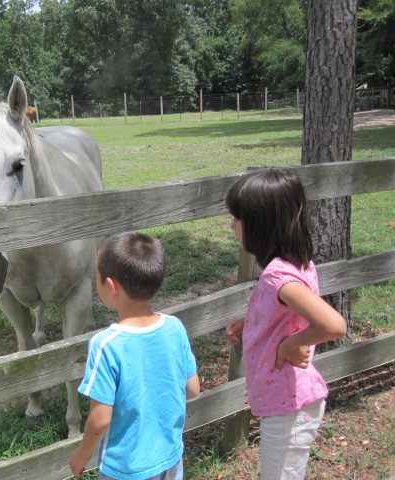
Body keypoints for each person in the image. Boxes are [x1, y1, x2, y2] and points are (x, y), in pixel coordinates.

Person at [224, 169, 348, 480]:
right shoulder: (295, 261)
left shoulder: (278, 275)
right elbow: (288, 315)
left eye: (238, 219)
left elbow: (334, 325)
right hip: (288, 404)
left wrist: (291, 344)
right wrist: (251, 323)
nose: (232, 225)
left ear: (260, 225)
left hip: (289, 410)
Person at [69, 232, 201, 480]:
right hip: (170, 459)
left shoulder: (105, 345)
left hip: (125, 469)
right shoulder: (175, 327)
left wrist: (81, 454)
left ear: (110, 287)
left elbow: (99, 420)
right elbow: (192, 389)